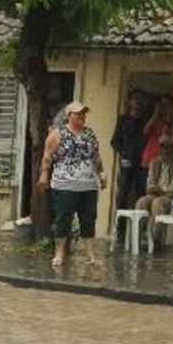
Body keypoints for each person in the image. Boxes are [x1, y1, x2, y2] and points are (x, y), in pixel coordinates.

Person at [38, 100, 106, 268]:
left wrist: (101, 174)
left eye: (83, 114)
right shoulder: (58, 133)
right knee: (63, 219)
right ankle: (59, 253)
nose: (82, 116)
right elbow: (47, 156)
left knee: (88, 219)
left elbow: (96, 156)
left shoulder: (89, 133)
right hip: (65, 185)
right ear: (69, 116)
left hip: (88, 185)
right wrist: (44, 175)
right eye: (78, 114)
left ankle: (89, 254)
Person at [135, 135, 173, 225]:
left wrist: (158, 189)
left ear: (172, 149)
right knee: (141, 202)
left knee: (158, 203)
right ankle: (140, 232)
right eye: (161, 147)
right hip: (158, 195)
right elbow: (149, 186)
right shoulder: (154, 162)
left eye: (167, 148)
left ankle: (158, 233)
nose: (164, 151)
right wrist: (157, 190)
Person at [110, 90, 148, 215]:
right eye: (135, 99)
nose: (137, 102)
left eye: (140, 99)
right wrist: (123, 154)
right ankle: (120, 224)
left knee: (140, 193)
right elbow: (114, 141)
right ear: (130, 101)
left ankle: (137, 224)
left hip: (142, 163)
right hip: (127, 161)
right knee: (123, 193)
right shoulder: (123, 120)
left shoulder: (146, 121)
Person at [139, 93, 173, 183]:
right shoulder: (156, 120)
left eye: (167, 105)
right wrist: (155, 114)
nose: (164, 108)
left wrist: (168, 117)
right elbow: (145, 131)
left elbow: (165, 135)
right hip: (149, 160)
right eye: (162, 105)